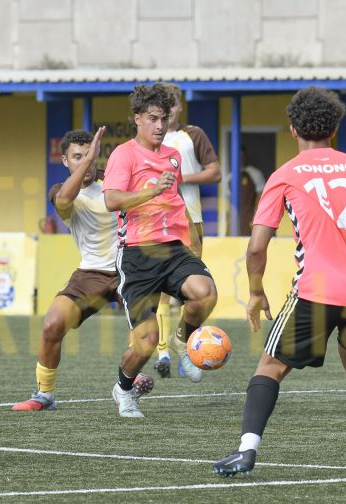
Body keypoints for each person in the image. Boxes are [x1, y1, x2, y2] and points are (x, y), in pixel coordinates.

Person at [212, 87, 346, 477]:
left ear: (292, 129)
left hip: (315, 290)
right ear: (334, 128)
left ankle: (246, 452)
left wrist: (255, 293)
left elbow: (256, 247)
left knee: (270, 365)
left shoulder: (284, 175)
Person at [12, 127, 152, 411]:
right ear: (65, 161)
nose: (84, 161)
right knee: (52, 325)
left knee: (146, 337)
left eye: (89, 155)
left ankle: (128, 381)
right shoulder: (61, 192)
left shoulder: (116, 183)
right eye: (77, 157)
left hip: (132, 269)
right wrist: (90, 163)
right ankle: (44, 395)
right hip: (90, 274)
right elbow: (64, 201)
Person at [102, 84, 218, 418]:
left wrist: (189, 235)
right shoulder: (123, 155)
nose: (159, 125)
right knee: (146, 342)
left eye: (164, 119)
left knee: (205, 294)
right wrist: (151, 191)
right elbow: (112, 200)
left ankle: (183, 340)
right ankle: (123, 391)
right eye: (152, 118)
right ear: (137, 118)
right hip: (137, 255)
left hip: (172, 249)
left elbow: (173, 198)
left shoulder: (172, 155)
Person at [152, 82, 220, 381]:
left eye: (173, 104)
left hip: (190, 221)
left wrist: (180, 178)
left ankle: (184, 346)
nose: (168, 110)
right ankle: (163, 352)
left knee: (195, 292)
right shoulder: (146, 140)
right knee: (160, 294)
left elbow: (215, 172)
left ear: (180, 106)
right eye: (162, 105)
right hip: (155, 223)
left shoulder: (192, 135)